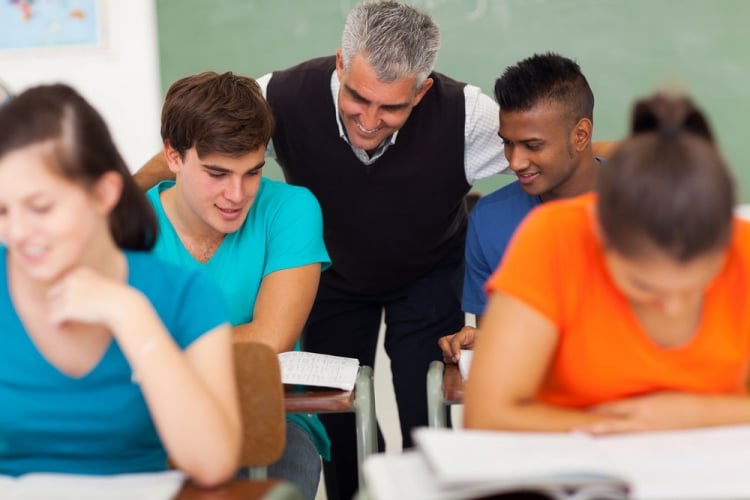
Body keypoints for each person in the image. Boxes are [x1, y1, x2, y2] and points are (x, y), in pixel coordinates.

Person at [133, 4, 614, 498]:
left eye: (391, 108)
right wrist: (125, 194)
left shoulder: (468, 115)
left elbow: (556, 146)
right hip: (334, 276)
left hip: (426, 273)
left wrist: (646, 166)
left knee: (422, 414)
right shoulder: (281, 96)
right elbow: (203, 140)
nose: (368, 119)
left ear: (421, 90)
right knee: (339, 423)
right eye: (357, 98)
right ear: (341, 64)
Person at [464, 92, 750, 434]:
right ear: (601, 236)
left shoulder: (743, 247)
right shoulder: (554, 239)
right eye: (644, 286)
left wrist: (694, 413)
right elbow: (488, 413)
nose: (673, 307)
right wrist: (626, 426)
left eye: (697, 287)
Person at [0, 84, 240, 485]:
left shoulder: (184, 295)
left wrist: (130, 316)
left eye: (40, 207)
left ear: (104, 193)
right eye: (3, 210)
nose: (19, 233)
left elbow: (212, 463)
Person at [145, 71, 331, 500]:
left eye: (252, 173)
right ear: (173, 156)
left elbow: (270, 339)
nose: (236, 194)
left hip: (272, 416)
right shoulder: (128, 227)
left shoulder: (291, 208)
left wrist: (157, 351)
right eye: (217, 173)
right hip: (155, 417)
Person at [439, 52, 603, 363]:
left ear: (580, 135)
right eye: (507, 143)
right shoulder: (488, 220)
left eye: (533, 145)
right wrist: (484, 342)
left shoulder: (649, 212)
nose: (515, 162)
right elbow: (499, 340)